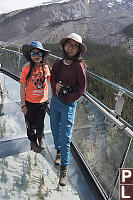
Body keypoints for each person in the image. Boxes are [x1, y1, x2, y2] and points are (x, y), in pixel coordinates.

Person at [50, 33, 87, 186]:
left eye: (75, 46)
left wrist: (68, 97)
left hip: (68, 105)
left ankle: (64, 168)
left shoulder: (79, 66)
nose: (71, 48)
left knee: (66, 136)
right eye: (69, 45)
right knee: (54, 128)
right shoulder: (58, 63)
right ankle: (58, 151)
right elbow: (52, 78)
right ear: (64, 46)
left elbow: (82, 89)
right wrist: (56, 87)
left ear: (78, 49)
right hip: (56, 101)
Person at [20, 41, 50, 152]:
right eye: (34, 54)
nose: (37, 56)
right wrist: (23, 105)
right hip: (29, 102)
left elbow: (51, 80)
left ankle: (40, 137)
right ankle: (33, 141)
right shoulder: (26, 69)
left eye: (39, 54)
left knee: (40, 123)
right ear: (30, 55)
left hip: (42, 102)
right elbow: (22, 88)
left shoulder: (46, 68)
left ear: (43, 55)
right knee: (30, 123)